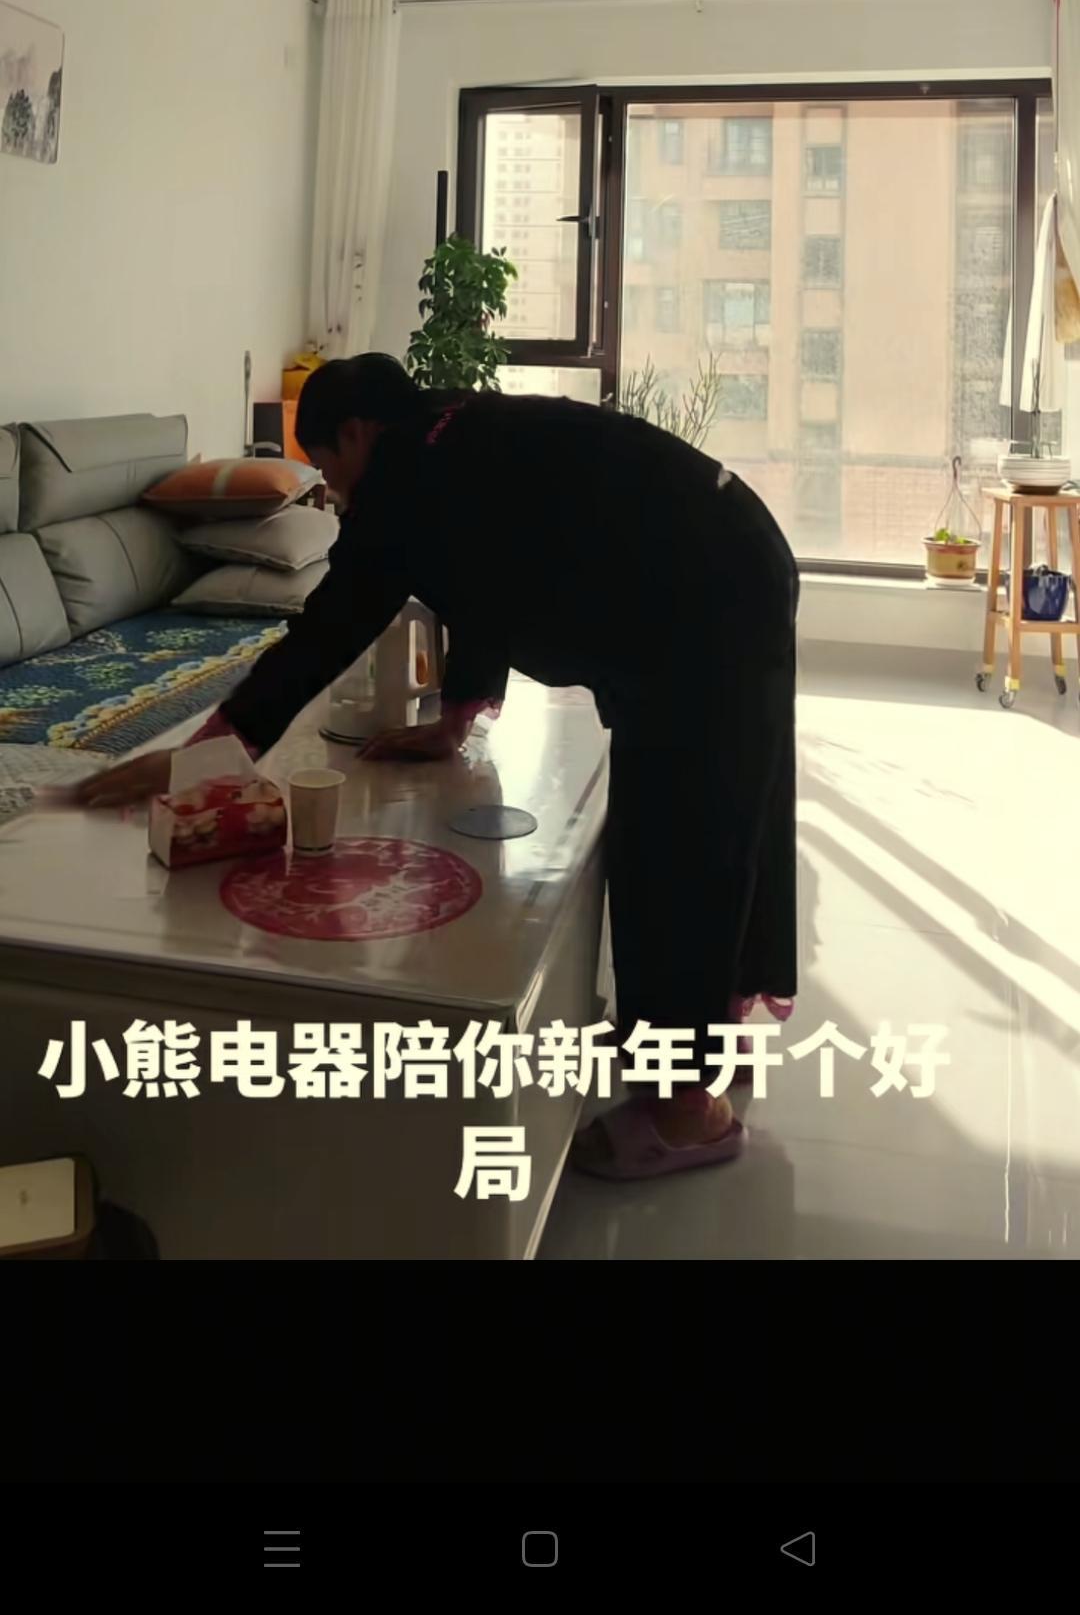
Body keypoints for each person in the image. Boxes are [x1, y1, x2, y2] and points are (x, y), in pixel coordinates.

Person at [80, 354, 799, 1181]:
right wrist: (456, 717)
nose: (334, 494)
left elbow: (331, 626)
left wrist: (210, 746)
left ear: (357, 432)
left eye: (327, 468)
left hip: (705, 596)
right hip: (720, 561)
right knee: (710, 807)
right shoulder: (449, 433)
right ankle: (699, 1037)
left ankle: (689, 1113)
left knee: (687, 834)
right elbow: (484, 579)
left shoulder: (405, 482)